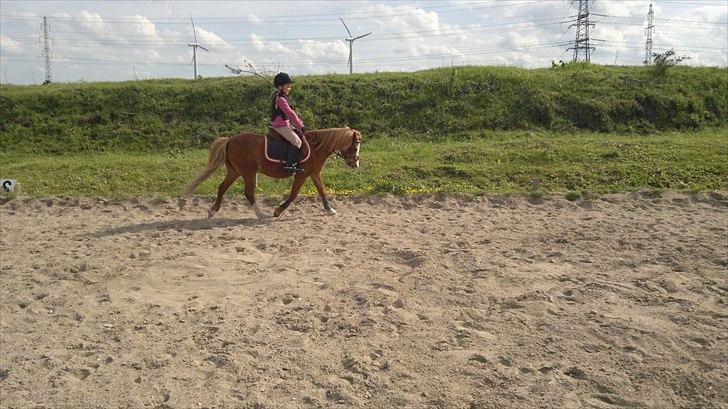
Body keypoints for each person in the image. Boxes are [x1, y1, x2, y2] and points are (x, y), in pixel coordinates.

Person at [271, 72, 308, 174]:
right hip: (280, 126)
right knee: (297, 142)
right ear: (280, 87)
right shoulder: (281, 99)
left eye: (290, 86)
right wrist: (300, 126)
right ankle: (290, 166)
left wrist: (301, 123)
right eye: (288, 86)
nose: (289, 89)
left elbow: (292, 114)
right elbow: (290, 114)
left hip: (285, 124)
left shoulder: (282, 97)